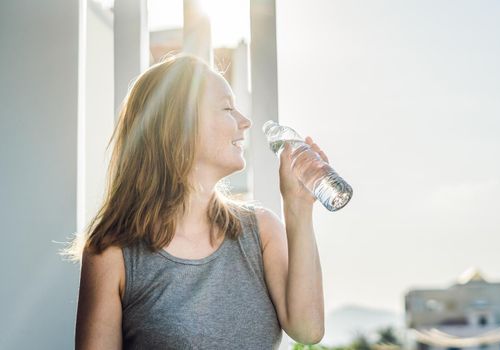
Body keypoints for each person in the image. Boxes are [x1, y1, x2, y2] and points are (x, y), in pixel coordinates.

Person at [67, 53, 326, 349]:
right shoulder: (112, 253)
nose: (245, 121)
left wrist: (299, 206)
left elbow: (308, 329)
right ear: (179, 125)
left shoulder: (261, 231)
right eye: (228, 108)